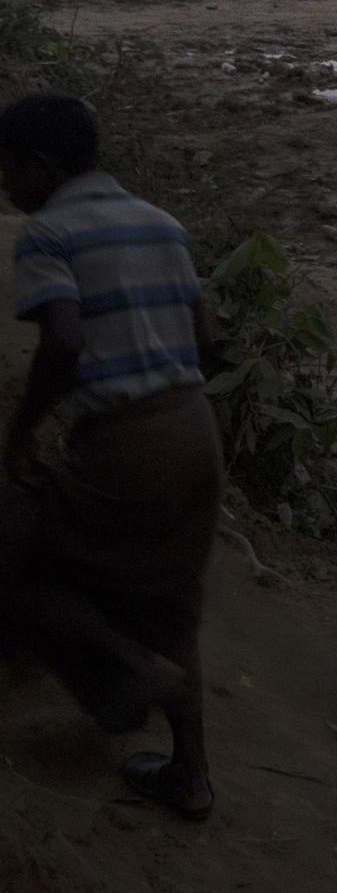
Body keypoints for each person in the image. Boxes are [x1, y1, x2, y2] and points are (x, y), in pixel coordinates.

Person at [0, 94, 222, 823]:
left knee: (23, 568)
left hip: (128, 439)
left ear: (40, 165)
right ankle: (190, 775)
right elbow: (204, 335)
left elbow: (62, 339)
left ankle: (133, 671)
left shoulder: (48, 232)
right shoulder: (161, 222)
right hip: (195, 431)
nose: (5, 185)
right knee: (176, 600)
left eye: (7, 168)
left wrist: (24, 429)